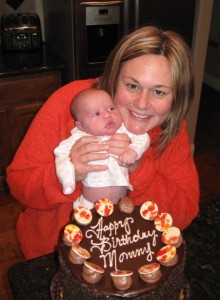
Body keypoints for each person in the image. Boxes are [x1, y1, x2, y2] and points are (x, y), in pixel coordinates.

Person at [7, 25, 199, 259]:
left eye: (159, 92)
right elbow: (18, 183)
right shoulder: (72, 104)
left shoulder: (171, 128)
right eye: (132, 86)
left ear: (177, 98)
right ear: (113, 78)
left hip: (129, 259)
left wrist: (138, 170)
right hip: (53, 253)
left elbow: (185, 212)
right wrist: (67, 173)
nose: (141, 103)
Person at [54, 88, 150, 208]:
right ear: (81, 126)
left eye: (111, 108)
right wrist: (68, 178)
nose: (107, 115)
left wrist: (133, 151)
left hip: (120, 206)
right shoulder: (78, 137)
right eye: (96, 114)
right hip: (89, 206)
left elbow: (143, 138)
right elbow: (60, 154)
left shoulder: (123, 130)